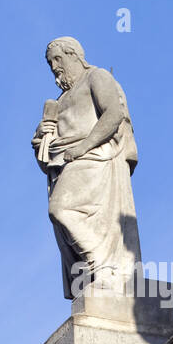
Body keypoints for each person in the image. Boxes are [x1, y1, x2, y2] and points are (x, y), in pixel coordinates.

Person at [32, 37, 142, 299]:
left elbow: (113, 114)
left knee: (60, 208)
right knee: (60, 214)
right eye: (50, 63)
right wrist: (42, 138)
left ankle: (103, 266)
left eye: (58, 59)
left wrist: (84, 147)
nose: (54, 67)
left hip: (94, 156)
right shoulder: (60, 100)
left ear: (74, 55)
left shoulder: (97, 77)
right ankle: (96, 272)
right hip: (66, 161)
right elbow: (47, 157)